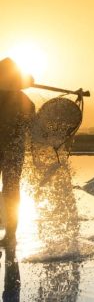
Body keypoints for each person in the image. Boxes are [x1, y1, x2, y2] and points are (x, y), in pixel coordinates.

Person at [0, 58, 35, 248]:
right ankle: (9, 233)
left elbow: (31, 120)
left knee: (11, 190)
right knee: (11, 191)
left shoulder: (22, 99)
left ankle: (10, 234)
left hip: (13, 149)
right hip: (10, 149)